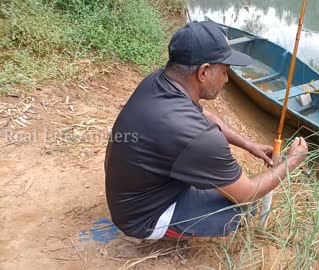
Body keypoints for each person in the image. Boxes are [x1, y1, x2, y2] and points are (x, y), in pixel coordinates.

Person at [104, 21, 308, 240]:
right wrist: (292, 161)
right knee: (242, 209)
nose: (227, 79)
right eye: (224, 71)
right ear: (203, 72)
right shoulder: (198, 137)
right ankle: (162, 229)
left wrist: (249, 145)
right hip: (141, 219)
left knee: (217, 179)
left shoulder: (160, 81)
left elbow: (205, 117)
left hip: (127, 195)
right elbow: (247, 194)